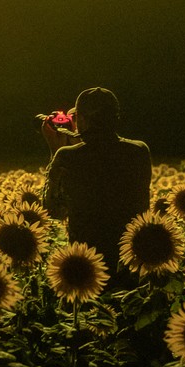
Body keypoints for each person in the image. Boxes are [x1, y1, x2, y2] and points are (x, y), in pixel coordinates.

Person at [40, 87, 152, 275]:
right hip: (130, 260)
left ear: (82, 120)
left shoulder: (68, 157)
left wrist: (55, 150)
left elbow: (52, 210)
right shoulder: (139, 151)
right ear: (116, 117)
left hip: (86, 265)